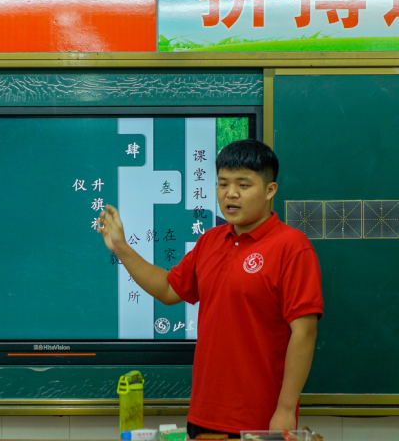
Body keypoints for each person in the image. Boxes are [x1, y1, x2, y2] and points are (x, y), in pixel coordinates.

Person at [97, 139, 323, 438]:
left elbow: (304, 332)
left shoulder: (292, 246)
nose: (230, 193)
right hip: (203, 414)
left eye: (243, 185)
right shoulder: (210, 241)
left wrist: (285, 409)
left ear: (270, 190)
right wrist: (122, 248)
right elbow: (168, 290)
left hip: (260, 419)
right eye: (223, 183)